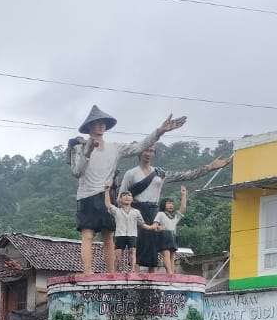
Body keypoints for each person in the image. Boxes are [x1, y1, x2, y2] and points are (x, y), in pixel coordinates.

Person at [68, 106, 188, 275]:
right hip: (86, 196)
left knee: (108, 237)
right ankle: (88, 272)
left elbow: (138, 147)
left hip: (105, 194)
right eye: (96, 123)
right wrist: (87, 151)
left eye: (103, 123)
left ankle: (110, 274)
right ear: (89, 127)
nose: (100, 126)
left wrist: (160, 131)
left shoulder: (114, 148)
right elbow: (76, 172)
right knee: (87, 235)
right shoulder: (78, 148)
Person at [118, 144, 230, 233]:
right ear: (140, 152)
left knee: (151, 250)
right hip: (135, 213)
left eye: (151, 151)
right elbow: (120, 199)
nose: (148, 153)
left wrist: (209, 168)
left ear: (154, 154)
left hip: (153, 213)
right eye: (146, 150)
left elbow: (186, 175)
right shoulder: (130, 174)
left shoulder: (160, 174)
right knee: (134, 249)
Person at [105, 186, 143, 273]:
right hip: (120, 234)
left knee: (132, 252)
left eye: (129, 195)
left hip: (132, 234)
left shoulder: (136, 212)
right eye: (124, 195)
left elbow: (142, 223)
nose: (127, 197)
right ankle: (117, 271)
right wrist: (107, 192)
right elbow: (108, 204)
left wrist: (152, 227)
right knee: (118, 254)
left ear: (132, 198)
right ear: (120, 199)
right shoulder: (117, 211)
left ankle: (133, 270)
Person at [151, 189, 190, 274]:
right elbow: (155, 224)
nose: (171, 205)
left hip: (173, 235)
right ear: (163, 204)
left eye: (172, 204)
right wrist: (156, 227)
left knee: (172, 256)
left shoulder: (175, 216)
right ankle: (169, 273)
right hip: (164, 235)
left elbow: (183, 208)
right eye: (168, 203)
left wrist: (183, 195)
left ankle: (172, 272)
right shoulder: (160, 214)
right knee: (166, 254)